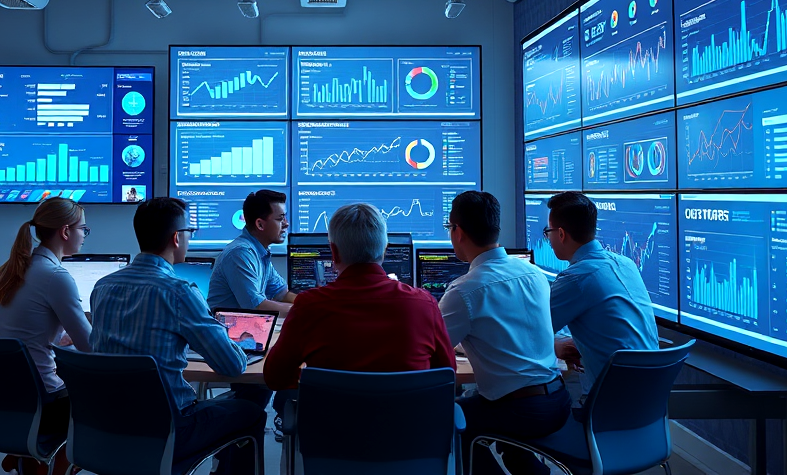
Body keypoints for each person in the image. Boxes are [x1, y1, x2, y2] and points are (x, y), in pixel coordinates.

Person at [90, 197, 265, 474]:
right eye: (190, 232)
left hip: (108, 425)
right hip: (169, 428)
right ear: (176, 238)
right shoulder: (179, 291)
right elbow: (231, 365)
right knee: (251, 409)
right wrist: (230, 337)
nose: (190, 238)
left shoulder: (102, 287)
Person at [439, 191, 570, 475]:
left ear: (458, 232)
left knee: (450, 418)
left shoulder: (463, 291)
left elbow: (432, 350)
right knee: (490, 418)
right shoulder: (534, 273)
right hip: (558, 400)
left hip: (521, 410)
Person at [264, 201, 456, 388]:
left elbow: (275, 376)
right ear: (384, 250)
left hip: (332, 420)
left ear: (334, 252)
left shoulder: (309, 306)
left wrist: (314, 381)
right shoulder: (425, 305)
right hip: (408, 419)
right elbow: (447, 374)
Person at [0, 196, 92, 475]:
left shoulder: (10, 270)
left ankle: (24, 455)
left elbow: (23, 332)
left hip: (2, 396)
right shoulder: (55, 275)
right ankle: (47, 464)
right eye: (83, 229)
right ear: (66, 231)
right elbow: (89, 347)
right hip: (42, 400)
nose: (84, 235)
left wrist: (58, 339)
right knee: (105, 401)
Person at [546, 191, 659, 392]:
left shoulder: (576, 278)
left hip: (610, 399)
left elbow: (531, 335)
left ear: (561, 234)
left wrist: (556, 346)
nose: (548, 238)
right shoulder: (627, 264)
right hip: (649, 398)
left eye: (549, 232)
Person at [208, 190, 297, 438]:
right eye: (281, 218)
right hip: (233, 343)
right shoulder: (241, 253)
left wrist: (314, 302)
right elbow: (255, 305)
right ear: (260, 223)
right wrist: (307, 311)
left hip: (248, 337)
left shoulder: (260, 252)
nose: (286, 223)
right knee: (265, 388)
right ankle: (238, 440)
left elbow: (281, 293)